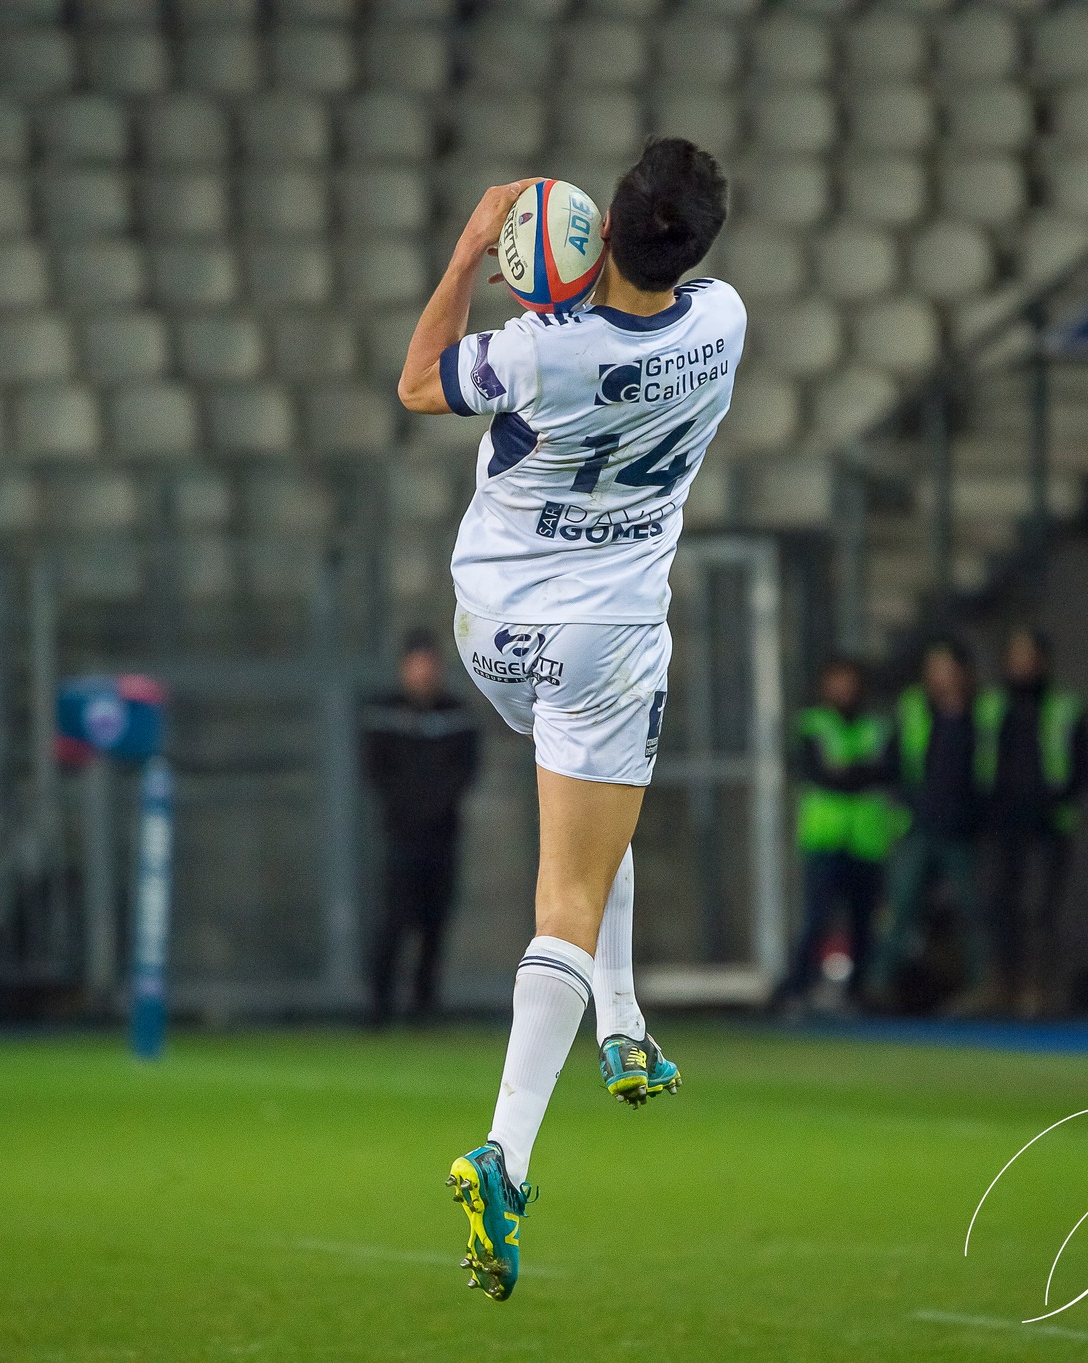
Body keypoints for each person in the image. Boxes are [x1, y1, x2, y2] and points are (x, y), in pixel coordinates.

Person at [397, 137, 737, 1302]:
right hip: (600, 644)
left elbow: (416, 380)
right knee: (569, 890)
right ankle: (506, 1154)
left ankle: (625, 1028)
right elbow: (654, 314)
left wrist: (473, 242)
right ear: (693, 247)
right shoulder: (724, 324)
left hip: (488, 631)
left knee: (592, 815)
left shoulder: (534, 349)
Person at [361, 628, 482, 1027]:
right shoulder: (384, 715)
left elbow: (464, 774)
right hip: (399, 836)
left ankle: (423, 1008)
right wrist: (408, 811)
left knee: (435, 922)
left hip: (442, 837)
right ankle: (379, 1008)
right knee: (393, 920)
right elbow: (377, 773)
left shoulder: (456, 716)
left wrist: (433, 809)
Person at [976, 626, 1088, 1018]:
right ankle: (1000, 985)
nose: (1022, 663)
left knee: (1042, 909)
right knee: (999, 905)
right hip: (1001, 822)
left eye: (1029, 656)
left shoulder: (1066, 706)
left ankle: (1038, 990)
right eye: (1015, 655)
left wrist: (1058, 798)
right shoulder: (990, 705)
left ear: (1044, 661)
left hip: (1049, 823)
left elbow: (1086, 764)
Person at [774, 657, 898, 1011]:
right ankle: (799, 987)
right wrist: (860, 771)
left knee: (864, 922)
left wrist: (845, 771)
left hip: (867, 839)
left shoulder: (877, 727)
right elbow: (818, 771)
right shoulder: (813, 724)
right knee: (818, 917)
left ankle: (859, 991)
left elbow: (887, 771)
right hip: (825, 839)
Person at [872, 637, 988, 1012]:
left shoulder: (983, 712)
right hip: (919, 826)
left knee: (974, 911)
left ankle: (982, 988)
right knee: (900, 908)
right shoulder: (913, 709)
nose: (939, 676)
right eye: (933, 667)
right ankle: (879, 986)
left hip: (963, 830)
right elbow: (893, 761)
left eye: (946, 667)